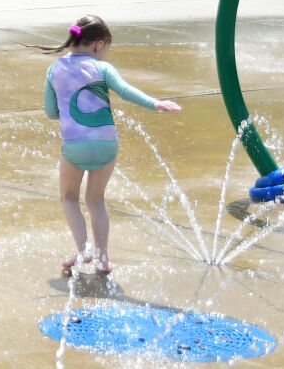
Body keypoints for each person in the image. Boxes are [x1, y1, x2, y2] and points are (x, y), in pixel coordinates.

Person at [35, 14, 181, 275]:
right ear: (99, 44)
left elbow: (51, 112)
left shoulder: (55, 69)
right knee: (96, 199)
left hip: (74, 146)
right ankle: (102, 258)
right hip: (106, 144)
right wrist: (155, 103)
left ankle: (84, 250)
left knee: (69, 197)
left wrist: (68, 109)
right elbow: (125, 90)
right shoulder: (102, 68)